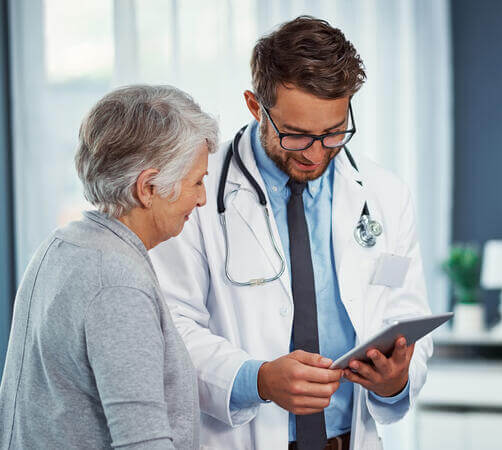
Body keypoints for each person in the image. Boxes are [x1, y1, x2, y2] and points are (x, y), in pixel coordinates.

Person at [150, 16, 432, 450]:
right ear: (254, 105)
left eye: (334, 132)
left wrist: (394, 380)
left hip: (346, 438)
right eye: (297, 135)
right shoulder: (196, 196)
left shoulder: (386, 195)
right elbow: (172, 327)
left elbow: (405, 316)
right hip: (244, 437)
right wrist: (257, 379)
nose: (317, 153)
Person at [0, 85, 219, 449]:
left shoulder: (62, 244)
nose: (201, 198)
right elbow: (143, 442)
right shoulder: (115, 281)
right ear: (148, 187)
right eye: (196, 182)